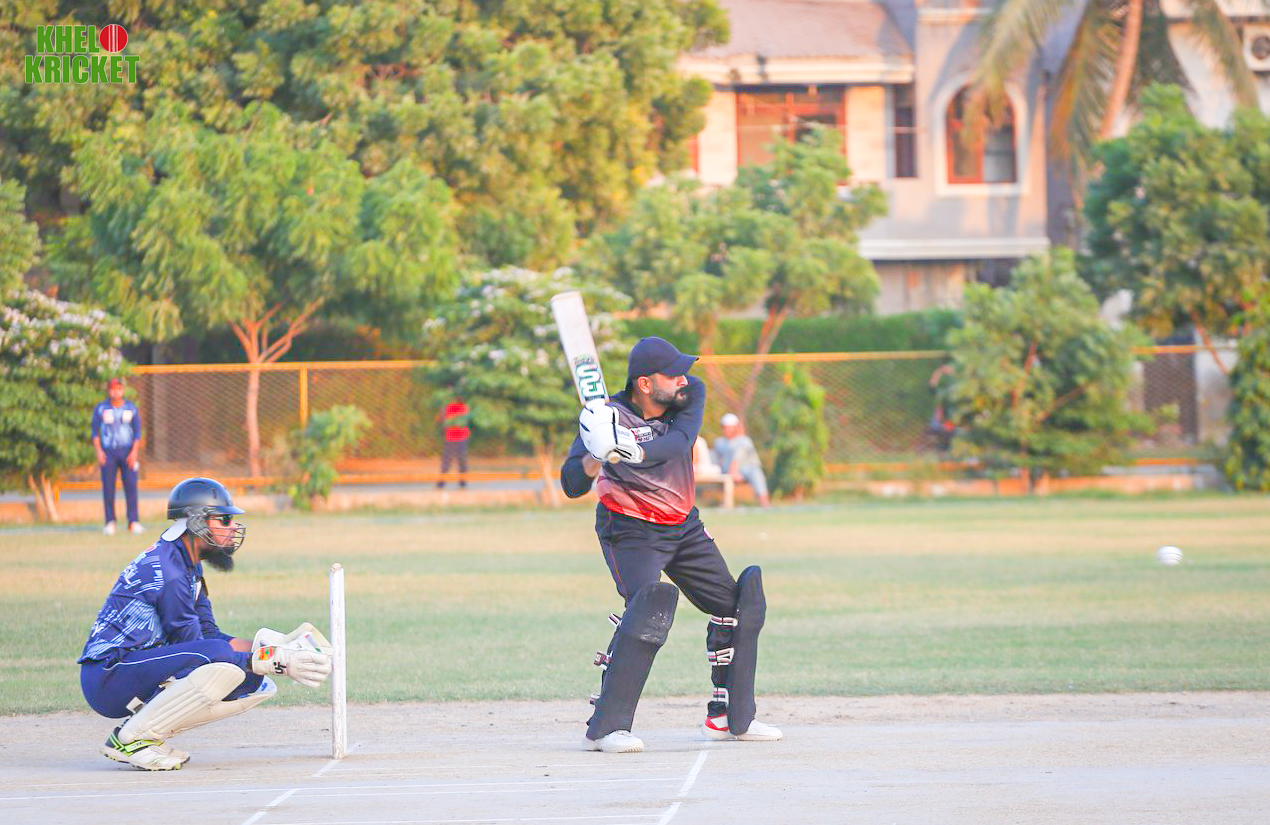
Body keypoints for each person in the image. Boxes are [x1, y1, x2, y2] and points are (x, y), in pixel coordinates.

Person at [560, 336, 782, 753]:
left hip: (683, 526)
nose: (684, 379)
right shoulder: (607, 416)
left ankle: (727, 717)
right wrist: (596, 452)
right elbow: (572, 484)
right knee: (647, 607)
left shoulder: (688, 394)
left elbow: (678, 443)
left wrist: (630, 449)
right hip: (629, 528)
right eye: (673, 373)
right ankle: (607, 728)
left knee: (736, 606)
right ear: (645, 384)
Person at [78, 477, 333, 771]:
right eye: (224, 519)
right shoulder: (169, 571)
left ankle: (147, 736)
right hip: (110, 674)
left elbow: (208, 635)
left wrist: (277, 649)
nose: (233, 527)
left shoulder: (186, 562)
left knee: (255, 683)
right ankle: (129, 740)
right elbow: (198, 649)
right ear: (197, 522)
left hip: (134, 666)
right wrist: (271, 660)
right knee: (227, 668)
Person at [92, 378, 143, 535]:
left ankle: (133, 522)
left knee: (131, 487)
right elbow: (95, 433)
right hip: (108, 452)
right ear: (109, 391)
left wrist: (134, 452)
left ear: (123, 390)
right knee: (108, 487)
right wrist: (99, 451)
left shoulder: (131, 408)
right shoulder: (101, 408)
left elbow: (138, 433)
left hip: (127, 451)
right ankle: (110, 522)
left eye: (119, 388)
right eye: (113, 388)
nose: (116, 392)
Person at [712, 413, 771, 507]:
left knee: (756, 473)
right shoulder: (720, 442)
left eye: (730, 427)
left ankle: (765, 503)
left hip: (747, 469)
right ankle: (724, 503)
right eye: (726, 427)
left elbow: (738, 456)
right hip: (726, 470)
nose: (727, 430)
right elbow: (716, 460)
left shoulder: (744, 440)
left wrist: (734, 471)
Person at [437, 396, 471, 489]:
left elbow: (441, 419)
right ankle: (462, 483)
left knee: (448, 460)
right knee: (461, 460)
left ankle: (442, 483)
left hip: (453, 437)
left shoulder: (448, 407)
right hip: (460, 437)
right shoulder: (465, 407)